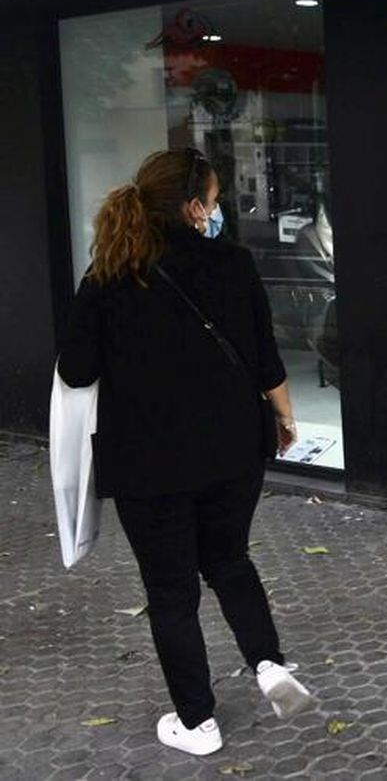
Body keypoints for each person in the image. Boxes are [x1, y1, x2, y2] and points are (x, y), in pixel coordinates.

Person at [56, 148, 314, 757]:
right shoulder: (234, 263)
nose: (219, 209)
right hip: (231, 453)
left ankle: (197, 723)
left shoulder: (108, 274)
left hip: (149, 466)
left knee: (172, 593)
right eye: (216, 198)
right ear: (194, 206)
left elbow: (75, 369)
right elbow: (265, 358)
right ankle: (269, 665)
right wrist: (284, 417)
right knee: (229, 560)